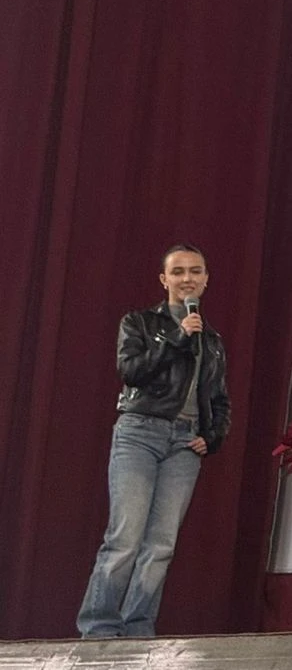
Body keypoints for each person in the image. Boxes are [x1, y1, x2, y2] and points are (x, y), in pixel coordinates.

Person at [78, 244, 231, 637]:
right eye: (178, 272)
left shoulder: (212, 340)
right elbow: (131, 371)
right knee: (125, 537)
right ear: (164, 280)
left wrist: (212, 437)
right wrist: (178, 337)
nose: (187, 279)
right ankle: (98, 627)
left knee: (161, 544)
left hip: (184, 443)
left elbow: (219, 399)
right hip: (140, 433)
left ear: (206, 279)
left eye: (195, 271)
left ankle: (138, 628)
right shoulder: (139, 323)